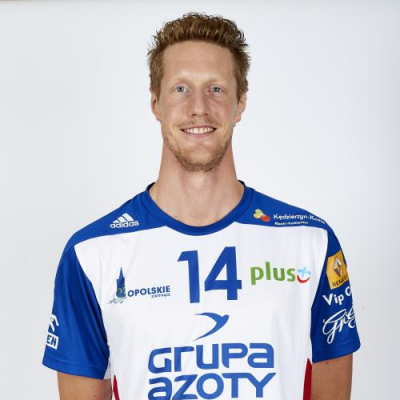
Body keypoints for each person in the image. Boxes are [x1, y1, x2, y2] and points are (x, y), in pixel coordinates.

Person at [43, 12, 361, 400]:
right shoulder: (92, 254)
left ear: (240, 103)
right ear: (156, 103)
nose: (199, 107)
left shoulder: (309, 241)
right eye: (180, 89)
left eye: (216, 89)